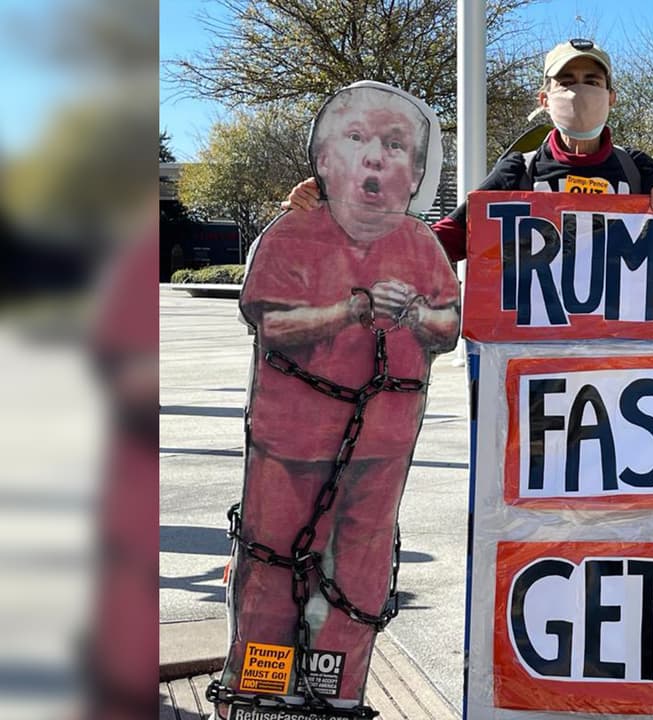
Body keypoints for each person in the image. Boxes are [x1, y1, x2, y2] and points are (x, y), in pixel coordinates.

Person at [222, 81, 459, 709]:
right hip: (289, 446)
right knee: (273, 567)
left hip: (382, 451)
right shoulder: (292, 236)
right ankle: (261, 689)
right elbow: (272, 323)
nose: (376, 157)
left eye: (396, 144)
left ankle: (339, 691)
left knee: (357, 575)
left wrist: (415, 316)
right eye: (357, 140)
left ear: (416, 173)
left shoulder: (421, 246)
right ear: (324, 162)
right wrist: (349, 310)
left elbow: (449, 326)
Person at [285, 38, 653, 263]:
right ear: (544, 98)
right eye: (565, 81)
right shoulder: (519, 171)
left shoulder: (638, 171)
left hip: (613, 358)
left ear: (611, 96)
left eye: (591, 80)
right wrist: (336, 214)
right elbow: (450, 238)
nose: (578, 90)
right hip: (532, 356)